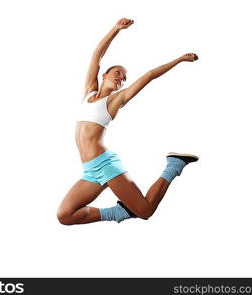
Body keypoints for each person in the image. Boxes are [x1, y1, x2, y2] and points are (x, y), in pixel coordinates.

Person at [57, 18, 199, 225]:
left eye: (124, 78)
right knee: (65, 215)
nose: (121, 78)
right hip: (89, 169)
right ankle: (117, 213)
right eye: (117, 73)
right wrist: (116, 29)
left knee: (145, 210)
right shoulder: (89, 91)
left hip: (104, 164)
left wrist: (179, 59)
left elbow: (149, 75)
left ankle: (174, 165)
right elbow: (96, 54)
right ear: (104, 75)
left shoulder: (116, 100)